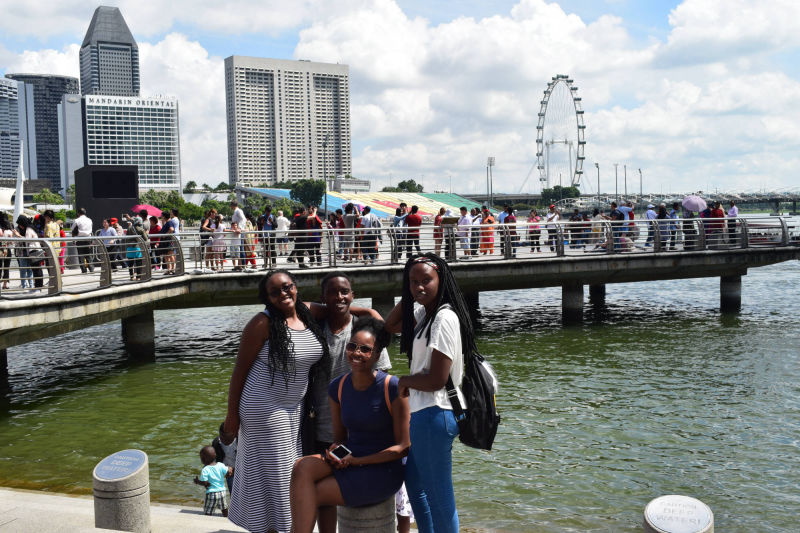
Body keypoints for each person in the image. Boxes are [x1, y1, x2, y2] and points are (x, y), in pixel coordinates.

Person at [223, 270, 329, 533]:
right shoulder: (263, 323)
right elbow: (239, 372)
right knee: (281, 474)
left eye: (287, 287)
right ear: (267, 298)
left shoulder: (306, 311)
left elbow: (338, 309)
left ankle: (268, 527)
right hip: (263, 406)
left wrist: (368, 313)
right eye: (275, 292)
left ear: (295, 286)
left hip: (293, 408)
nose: (283, 294)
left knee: (277, 471)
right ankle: (283, 528)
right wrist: (232, 416)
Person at [290, 318, 410, 533]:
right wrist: (336, 451)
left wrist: (357, 461)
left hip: (383, 470)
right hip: (351, 460)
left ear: (377, 355)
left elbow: (403, 447)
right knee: (301, 466)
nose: (356, 353)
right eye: (352, 346)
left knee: (312, 492)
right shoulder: (338, 387)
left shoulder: (392, 387)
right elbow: (340, 439)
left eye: (365, 349)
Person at [384, 254, 474, 533]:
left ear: (441, 280)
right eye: (413, 282)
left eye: (426, 280)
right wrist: (409, 295)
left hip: (436, 412)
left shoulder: (444, 318)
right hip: (423, 413)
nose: (420, 287)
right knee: (416, 485)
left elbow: (436, 379)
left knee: (439, 496)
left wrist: (404, 382)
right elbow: (391, 325)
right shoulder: (425, 314)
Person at [306, 272, 392, 532]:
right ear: (323, 297)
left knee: (348, 489)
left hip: (358, 432)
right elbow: (302, 307)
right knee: (321, 494)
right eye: (332, 292)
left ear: (353, 294)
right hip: (321, 426)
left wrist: (365, 311)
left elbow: (381, 381)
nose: (339, 297)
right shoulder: (314, 330)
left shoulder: (365, 332)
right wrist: (361, 308)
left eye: (345, 292)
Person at [193, 445, 233, 517]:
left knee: (208, 510)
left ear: (203, 459)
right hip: (222, 492)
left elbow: (205, 483)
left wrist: (197, 481)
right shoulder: (220, 465)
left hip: (212, 493)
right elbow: (228, 471)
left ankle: (208, 518)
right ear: (215, 456)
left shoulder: (205, 469)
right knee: (224, 507)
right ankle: (226, 516)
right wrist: (229, 470)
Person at [71, 207, 95, 273]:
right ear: (85, 213)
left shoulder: (76, 220)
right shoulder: (89, 220)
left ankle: (84, 270)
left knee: (81, 256)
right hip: (88, 239)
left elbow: (72, 229)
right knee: (88, 254)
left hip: (80, 239)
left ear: (78, 213)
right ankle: (91, 268)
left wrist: (73, 240)